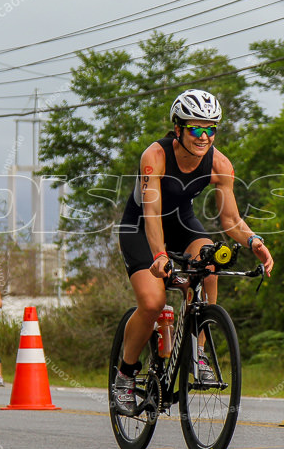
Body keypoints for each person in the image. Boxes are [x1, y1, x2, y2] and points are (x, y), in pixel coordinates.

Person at [113, 89, 274, 415]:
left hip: (183, 224)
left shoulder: (220, 163)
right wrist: (160, 256)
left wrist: (254, 241)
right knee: (153, 302)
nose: (204, 136)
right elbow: (152, 214)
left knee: (211, 259)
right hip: (142, 227)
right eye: (196, 128)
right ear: (178, 128)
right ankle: (125, 375)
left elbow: (230, 220)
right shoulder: (154, 157)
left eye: (210, 129)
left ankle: (197, 353)